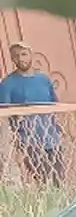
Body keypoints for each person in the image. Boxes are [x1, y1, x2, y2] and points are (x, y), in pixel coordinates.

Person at [0, 42, 62, 186]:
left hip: (52, 139)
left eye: (24, 54)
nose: (21, 59)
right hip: (29, 142)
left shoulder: (43, 79)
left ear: (31, 55)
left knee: (59, 181)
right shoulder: (7, 84)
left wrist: (58, 131)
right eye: (16, 56)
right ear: (12, 60)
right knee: (44, 182)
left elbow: (55, 104)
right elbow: (5, 116)